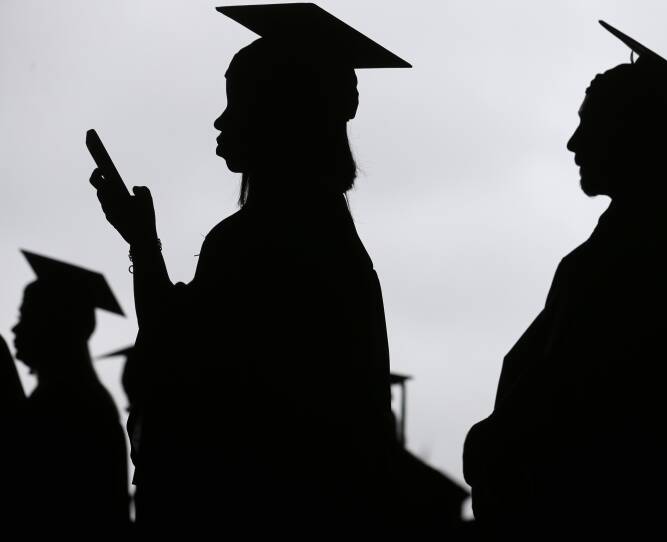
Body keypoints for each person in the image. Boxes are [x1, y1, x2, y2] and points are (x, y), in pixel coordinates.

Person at [88, 3, 410, 536]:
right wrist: (142, 242)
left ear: (281, 115)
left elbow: (176, 363)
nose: (221, 119)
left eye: (238, 102)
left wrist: (144, 246)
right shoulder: (326, 236)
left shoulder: (259, 241)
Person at [463, 20, 667, 537]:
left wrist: (492, 447)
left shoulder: (652, 258)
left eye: (591, 122)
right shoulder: (641, 249)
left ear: (635, 135)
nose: (574, 143)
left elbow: (582, 412)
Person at [1, 251, 130, 538]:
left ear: (59, 326)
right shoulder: (85, 400)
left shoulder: (68, 407)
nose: (16, 328)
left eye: (26, 315)